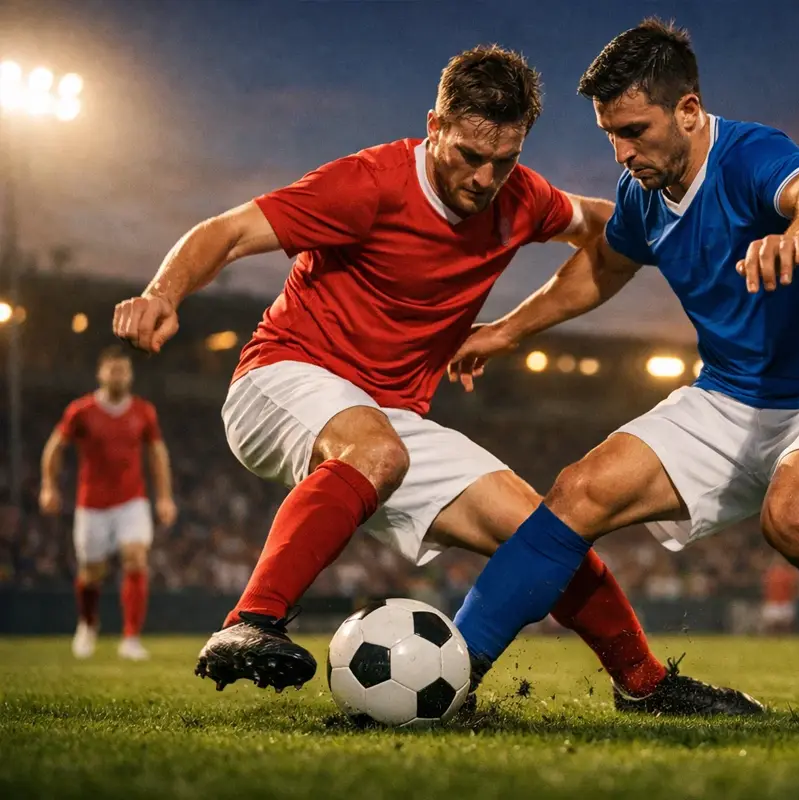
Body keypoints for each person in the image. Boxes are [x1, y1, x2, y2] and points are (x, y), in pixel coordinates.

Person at [112, 44, 757, 716]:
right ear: (433, 127)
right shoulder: (368, 184)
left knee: (546, 534)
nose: (484, 178)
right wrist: (164, 294)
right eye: (468, 157)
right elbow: (227, 232)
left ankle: (646, 684)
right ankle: (250, 621)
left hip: (390, 417)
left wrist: (698, 230)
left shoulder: (521, 198)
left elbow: (606, 225)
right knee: (376, 451)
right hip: (285, 376)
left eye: (503, 161)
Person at [447, 19, 799, 728]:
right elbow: (604, 265)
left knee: (798, 518)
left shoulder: (749, 153)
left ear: (688, 110)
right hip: (732, 395)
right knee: (579, 491)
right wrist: (506, 329)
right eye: (610, 135)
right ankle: (450, 677)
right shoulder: (642, 194)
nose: (623, 152)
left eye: (635, 130)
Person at [39, 345, 177, 660]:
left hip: (132, 501)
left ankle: (131, 638)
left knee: (136, 557)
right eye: (113, 370)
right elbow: (54, 447)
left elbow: (157, 455)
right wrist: (49, 486)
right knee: (91, 572)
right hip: (92, 504)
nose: (118, 375)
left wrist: (165, 497)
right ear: (101, 373)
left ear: (130, 375)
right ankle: (88, 625)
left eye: (124, 370)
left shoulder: (144, 411)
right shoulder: (81, 411)